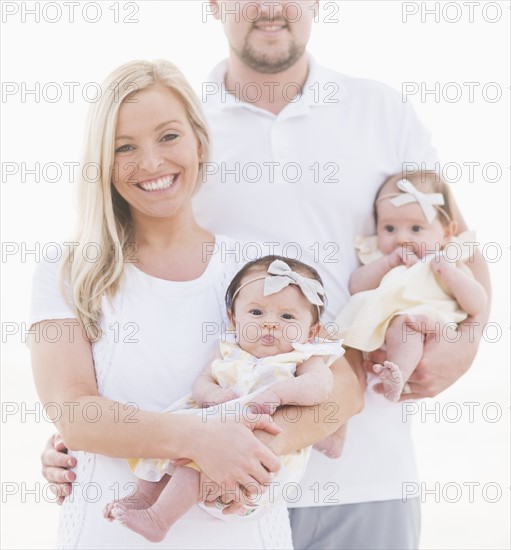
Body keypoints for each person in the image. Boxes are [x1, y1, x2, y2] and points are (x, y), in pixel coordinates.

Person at [41, 1, 491, 548]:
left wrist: (468, 340)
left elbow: (455, 242)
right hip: (212, 495)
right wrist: (92, 435)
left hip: (364, 468)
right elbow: (144, 308)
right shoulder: (180, 118)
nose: (271, 6)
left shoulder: (380, 110)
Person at [30, 58, 362, 549]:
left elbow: (344, 388)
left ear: (199, 141)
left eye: (168, 136)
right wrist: (201, 440)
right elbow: (75, 414)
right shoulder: (70, 269)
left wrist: (249, 450)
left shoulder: (256, 268)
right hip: (110, 536)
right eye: (124, 147)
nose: (151, 163)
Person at [104, 255, 345, 542]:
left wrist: (279, 394)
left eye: (287, 317)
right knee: (170, 429)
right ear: (233, 318)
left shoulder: (302, 357)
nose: (270, 324)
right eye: (256, 312)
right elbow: (202, 382)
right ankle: (145, 495)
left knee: (200, 457)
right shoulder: (229, 349)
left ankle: (160, 518)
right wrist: (213, 394)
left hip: (256, 460)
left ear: (312, 331)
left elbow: (320, 386)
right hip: (215, 426)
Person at [336, 172, 487, 401]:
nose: (401, 239)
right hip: (378, 325)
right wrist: (387, 262)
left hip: (423, 323)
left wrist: (449, 273)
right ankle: (340, 412)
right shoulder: (382, 257)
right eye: (389, 229)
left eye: (416, 229)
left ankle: (399, 373)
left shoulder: (449, 261)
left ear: (446, 233)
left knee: (407, 327)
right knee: (340, 359)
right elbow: (356, 285)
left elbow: (477, 303)